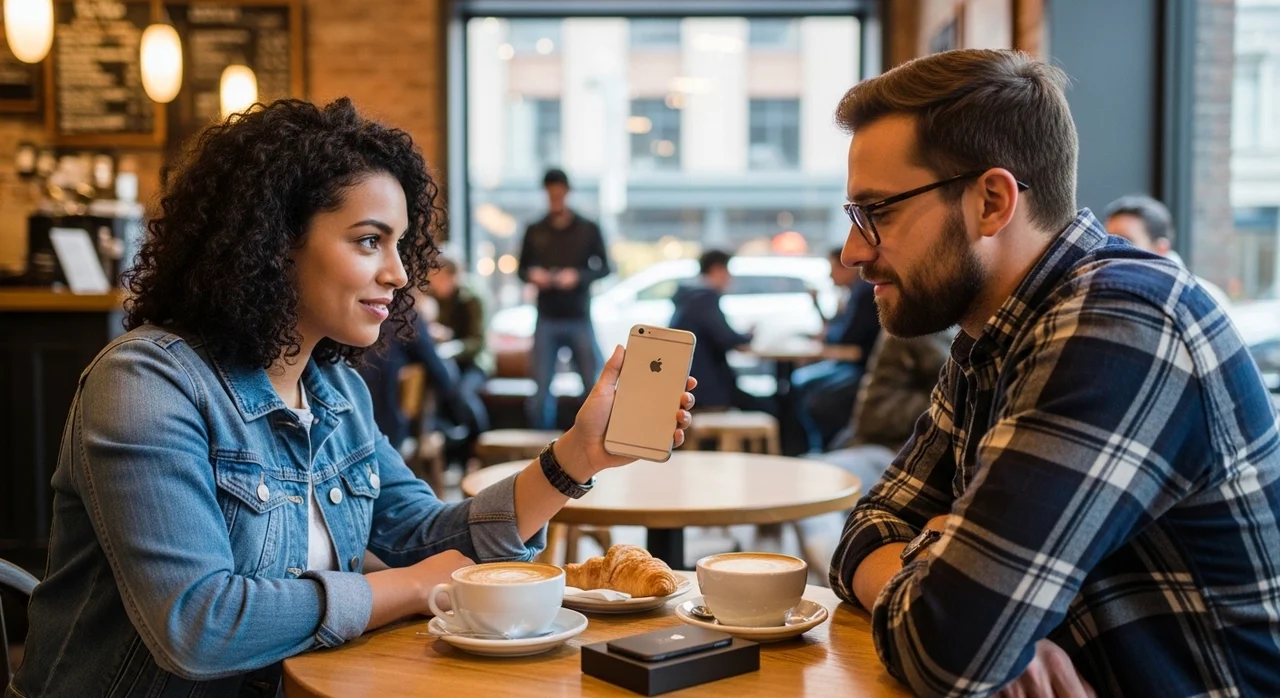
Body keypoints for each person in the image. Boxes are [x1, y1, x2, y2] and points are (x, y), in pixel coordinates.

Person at [8, 98, 695, 698]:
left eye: (400, 245)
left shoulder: (335, 392)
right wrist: (408, 587)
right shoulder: (146, 384)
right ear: (274, 241)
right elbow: (198, 625)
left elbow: (425, 539)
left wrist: (577, 457)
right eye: (370, 241)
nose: (398, 273)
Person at [827, 49, 1280, 697]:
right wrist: (953, 581)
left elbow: (946, 649)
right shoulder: (993, 332)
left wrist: (957, 587)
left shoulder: (1123, 324)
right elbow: (867, 529)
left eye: (879, 211)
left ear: (991, 202)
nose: (854, 252)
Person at [517, 168, 611, 430]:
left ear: (567, 192)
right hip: (546, 317)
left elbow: (605, 268)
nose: (555, 198)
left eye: (559, 193)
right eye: (551, 194)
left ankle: (595, 437)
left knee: (593, 386)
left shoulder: (588, 228)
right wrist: (534, 275)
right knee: (541, 391)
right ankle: (541, 445)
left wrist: (577, 276)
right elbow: (521, 270)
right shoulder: (535, 229)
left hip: (579, 317)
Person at [819, 330, 953, 486]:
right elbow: (873, 418)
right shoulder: (918, 329)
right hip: (882, 447)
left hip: (899, 454)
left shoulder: (957, 342)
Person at [790, 247, 881, 452]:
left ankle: (823, 448)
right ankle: (814, 447)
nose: (830, 276)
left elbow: (844, 337)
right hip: (853, 363)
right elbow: (836, 333)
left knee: (811, 394)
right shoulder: (854, 293)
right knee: (802, 381)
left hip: (862, 366)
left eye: (833, 269)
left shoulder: (863, 293)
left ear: (848, 267)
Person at [669, 250, 774, 414]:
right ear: (717, 270)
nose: (730, 278)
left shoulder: (689, 296)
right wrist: (748, 336)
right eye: (727, 271)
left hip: (690, 384)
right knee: (770, 408)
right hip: (706, 390)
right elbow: (727, 338)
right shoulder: (704, 297)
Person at [1103, 193, 1233, 308]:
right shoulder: (1108, 288)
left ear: (1160, 249)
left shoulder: (1204, 298)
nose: (1109, 249)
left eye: (1124, 241)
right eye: (1107, 241)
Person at [425, 256, 492, 440]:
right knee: (436, 390)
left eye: (439, 278)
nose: (435, 283)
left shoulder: (472, 298)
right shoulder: (433, 297)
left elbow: (477, 342)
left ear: (454, 276)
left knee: (463, 392)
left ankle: (480, 442)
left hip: (475, 362)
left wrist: (450, 345)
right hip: (446, 362)